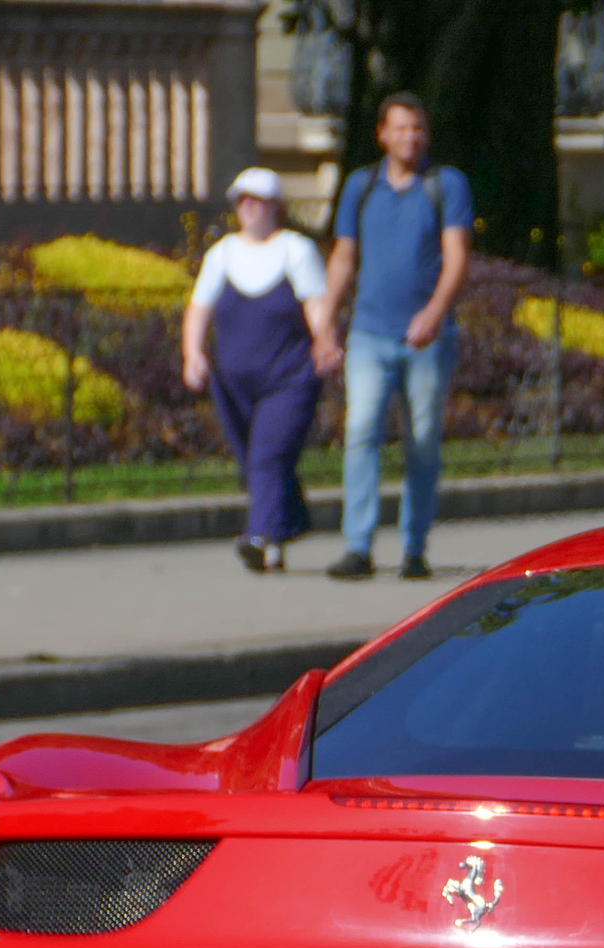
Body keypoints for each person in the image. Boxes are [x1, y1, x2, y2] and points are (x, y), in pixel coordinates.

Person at [322, 92, 472, 581]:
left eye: (418, 128)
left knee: (422, 440)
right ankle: (358, 545)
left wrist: (434, 313)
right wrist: (325, 321)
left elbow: (456, 256)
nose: (410, 137)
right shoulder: (360, 187)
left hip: (425, 338)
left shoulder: (445, 184)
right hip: (369, 332)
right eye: (401, 128)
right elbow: (344, 256)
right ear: (382, 134)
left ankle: (413, 547)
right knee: (361, 433)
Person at [182, 168, 340, 573]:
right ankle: (286, 529)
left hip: (287, 378)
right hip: (234, 383)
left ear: (275, 206)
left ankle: (258, 536)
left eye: (258, 200)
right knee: (255, 460)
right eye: (242, 200)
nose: (249, 208)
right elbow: (200, 308)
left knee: (267, 456)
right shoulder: (223, 253)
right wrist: (193, 354)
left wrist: (325, 340)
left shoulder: (295, 250)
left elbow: (316, 304)